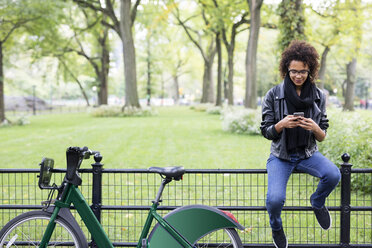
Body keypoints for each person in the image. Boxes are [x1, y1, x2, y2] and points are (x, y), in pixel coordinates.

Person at [260, 40, 341, 248]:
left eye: (303, 71)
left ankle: (317, 202)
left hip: (308, 154)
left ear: (310, 71)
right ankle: (276, 227)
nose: (298, 75)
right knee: (274, 200)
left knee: (334, 174)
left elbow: (322, 135)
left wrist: (315, 128)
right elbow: (266, 132)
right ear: (286, 69)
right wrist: (281, 124)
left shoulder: (318, 96)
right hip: (281, 156)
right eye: (293, 71)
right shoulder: (273, 95)